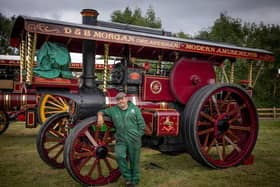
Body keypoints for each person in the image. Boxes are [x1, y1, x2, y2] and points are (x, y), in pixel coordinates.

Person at [97, 92, 145, 187]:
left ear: (126, 99)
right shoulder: (113, 110)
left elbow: (142, 124)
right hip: (121, 140)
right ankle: (127, 178)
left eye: (122, 99)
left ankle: (134, 180)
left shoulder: (135, 109)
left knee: (134, 161)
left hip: (134, 140)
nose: (120, 101)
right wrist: (100, 116)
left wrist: (138, 135)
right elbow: (102, 111)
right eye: (118, 100)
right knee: (119, 156)